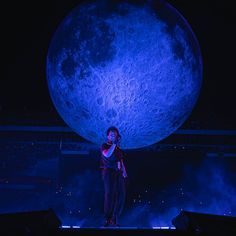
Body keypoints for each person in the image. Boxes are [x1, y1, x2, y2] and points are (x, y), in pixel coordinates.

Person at [100, 126, 128, 227]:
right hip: (109, 172)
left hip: (118, 172)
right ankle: (107, 218)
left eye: (115, 135)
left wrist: (124, 171)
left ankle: (115, 218)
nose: (113, 136)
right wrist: (114, 144)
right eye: (112, 135)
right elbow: (107, 155)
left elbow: (120, 160)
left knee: (121, 195)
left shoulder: (117, 148)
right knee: (109, 194)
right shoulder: (105, 145)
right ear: (107, 136)